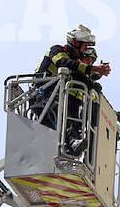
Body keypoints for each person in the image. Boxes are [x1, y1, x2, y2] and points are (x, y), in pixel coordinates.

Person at [34, 25, 111, 155]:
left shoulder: (74, 62)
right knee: (63, 111)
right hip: (44, 96)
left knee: (75, 113)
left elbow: (82, 77)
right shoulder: (57, 50)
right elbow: (64, 63)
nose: (86, 50)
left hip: (60, 96)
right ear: (75, 43)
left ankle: (77, 147)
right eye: (85, 46)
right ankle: (72, 141)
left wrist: (96, 82)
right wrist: (95, 69)